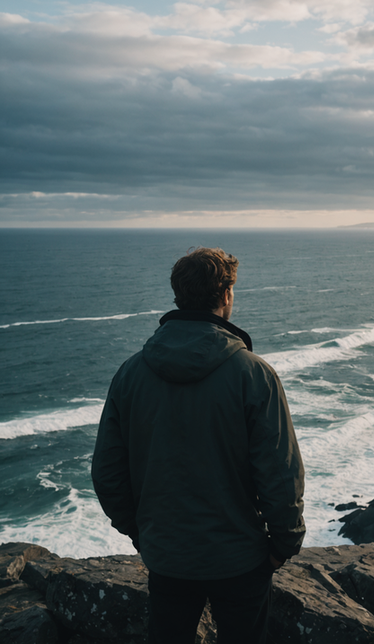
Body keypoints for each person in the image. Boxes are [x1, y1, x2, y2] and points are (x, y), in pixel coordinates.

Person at [91, 247, 306, 644]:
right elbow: (280, 472)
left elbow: (107, 473)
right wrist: (283, 545)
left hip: (167, 555)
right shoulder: (254, 375)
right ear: (225, 295)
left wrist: (141, 533)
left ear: (178, 295)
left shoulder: (130, 373)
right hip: (241, 557)